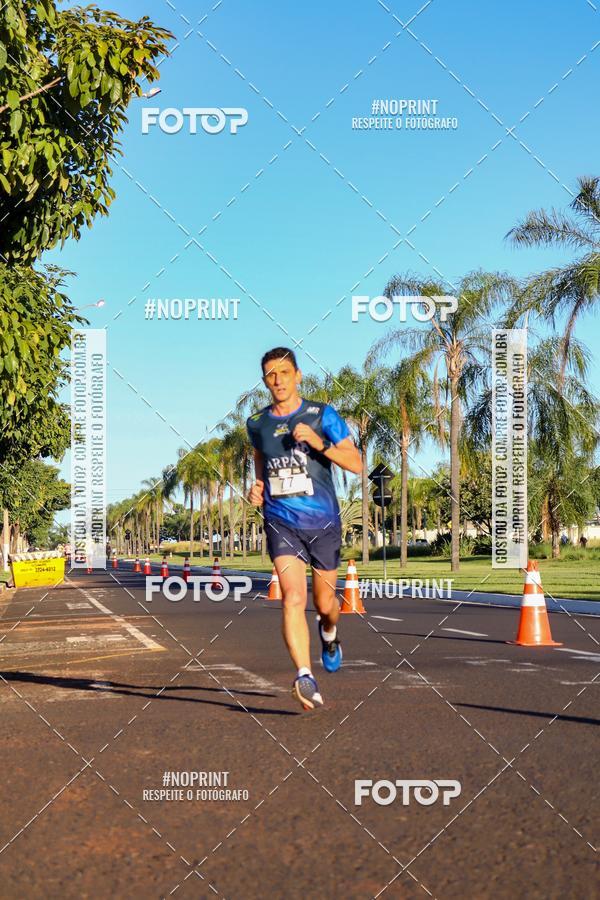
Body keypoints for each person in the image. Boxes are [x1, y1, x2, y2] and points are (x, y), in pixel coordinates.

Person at [247, 347, 362, 711]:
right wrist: (257, 487)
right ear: (265, 380)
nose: (277, 380)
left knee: (325, 604)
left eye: (284, 372)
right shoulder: (257, 424)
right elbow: (260, 460)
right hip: (281, 521)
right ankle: (304, 675)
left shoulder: (321, 415)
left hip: (323, 523)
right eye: (270, 374)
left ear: (298, 375)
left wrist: (319, 443)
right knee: (293, 597)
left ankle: (329, 635)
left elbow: (356, 463)